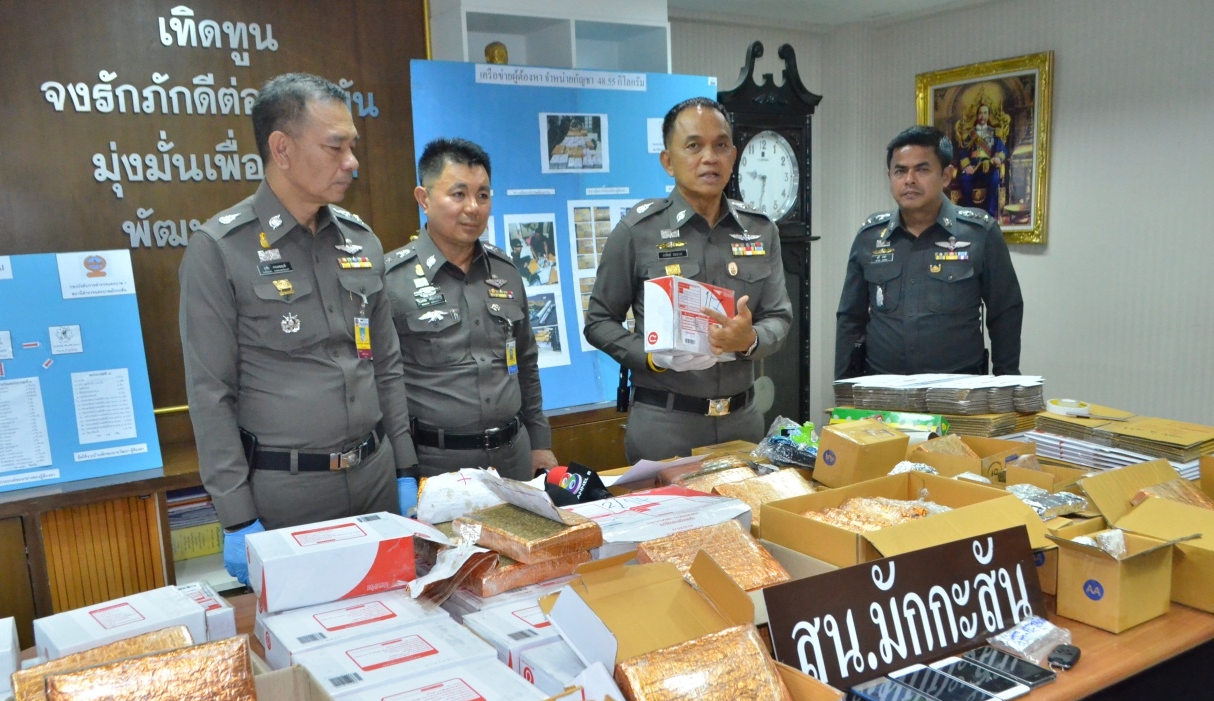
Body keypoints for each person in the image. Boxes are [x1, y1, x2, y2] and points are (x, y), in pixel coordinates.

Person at [179, 73, 419, 585]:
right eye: (335, 146)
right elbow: (210, 393)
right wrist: (236, 515)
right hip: (287, 494)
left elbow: (386, 365)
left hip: (376, 479)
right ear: (282, 149)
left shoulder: (360, 240)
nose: (352, 162)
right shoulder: (220, 249)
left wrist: (404, 467)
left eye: (352, 146)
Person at [584, 97, 793, 463]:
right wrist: (653, 357)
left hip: (742, 422)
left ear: (733, 156)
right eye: (694, 146)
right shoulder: (637, 232)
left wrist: (750, 340)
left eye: (721, 145)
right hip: (666, 425)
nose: (709, 157)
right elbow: (598, 322)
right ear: (668, 161)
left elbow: (779, 316)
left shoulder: (760, 230)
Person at [385, 138, 558, 482]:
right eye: (459, 194)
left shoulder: (506, 271)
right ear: (424, 198)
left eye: (483, 195)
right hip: (436, 464)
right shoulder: (392, 280)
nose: (473, 208)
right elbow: (383, 383)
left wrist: (540, 442)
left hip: (513, 456)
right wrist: (402, 468)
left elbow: (526, 361)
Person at [835, 125, 1023, 379]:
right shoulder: (870, 236)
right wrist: (843, 386)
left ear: (946, 176)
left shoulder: (979, 233)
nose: (909, 180)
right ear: (889, 176)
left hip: (958, 388)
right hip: (882, 387)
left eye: (922, 169)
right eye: (900, 171)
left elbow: (1005, 312)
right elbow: (850, 318)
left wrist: (1006, 383)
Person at [953, 96, 1011, 218]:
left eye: (985, 113)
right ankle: (969, 212)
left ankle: (989, 213)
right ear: (977, 115)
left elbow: (1003, 150)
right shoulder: (970, 134)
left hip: (988, 167)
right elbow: (962, 152)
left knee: (994, 178)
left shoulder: (994, 133)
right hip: (973, 168)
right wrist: (967, 166)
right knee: (964, 179)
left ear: (988, 115)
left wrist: (998, 158)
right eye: (980, 113)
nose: (982, 116)